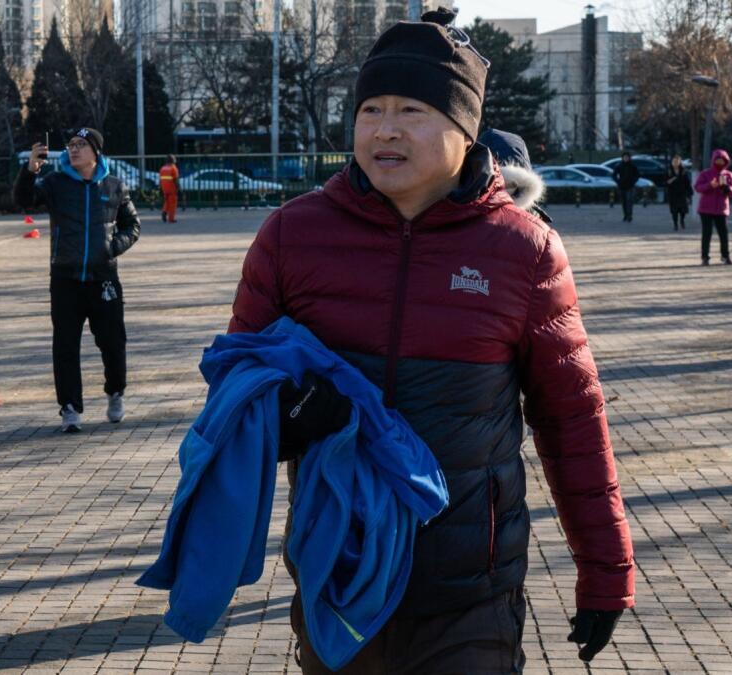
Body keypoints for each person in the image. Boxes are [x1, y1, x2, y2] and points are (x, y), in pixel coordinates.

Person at [229, 10, 635, 671]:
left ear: (464, 129)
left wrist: (605, 569)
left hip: (470, 590)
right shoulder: (291, 236)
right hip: (340, 574)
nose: (385, 129)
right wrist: (290, 412)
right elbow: (235, 386)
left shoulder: (524, 252)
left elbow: (572, 419)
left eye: (412, 110)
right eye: (371, 110)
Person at [13, 127, 141, 433]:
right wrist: (30, 169)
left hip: (103, 278)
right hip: (65, 279)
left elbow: (132, 225)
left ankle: (115, 392)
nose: (74, 150)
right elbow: (23, 200)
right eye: (71, 145)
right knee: (65, 346)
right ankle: (70, 407)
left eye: (81, 145)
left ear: (95, 152)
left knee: (112, 342)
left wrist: (111, 248)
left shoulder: (114, 186)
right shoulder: (57, 183)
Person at [694, 148, 732, 265]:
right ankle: (705, 257)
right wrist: (710, 185)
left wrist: (727, 188)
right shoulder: (705, 173)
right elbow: (697, 187)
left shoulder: (729, 175)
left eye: (722, 161)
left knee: (723, 233)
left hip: (721, 209)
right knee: (707, 233)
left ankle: (725, 256)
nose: (720, 163)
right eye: (718, 160)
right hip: (706, 209)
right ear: (713, 160)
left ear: (726, 161)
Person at [665, 154, 692, 231]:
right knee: (674, 211)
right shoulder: (669, 171)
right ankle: (675, 224)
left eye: (677, 161)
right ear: (672, 162)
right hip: (672, 194)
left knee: (683, 210)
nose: (675, 163)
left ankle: (682, 220)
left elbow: (687, 182)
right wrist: (672, 179)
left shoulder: (683, 171)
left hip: (682, 193)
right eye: (674, 161)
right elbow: (666, 182)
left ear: (680, 162)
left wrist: (689, 192)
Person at [612, 152, 641, 222]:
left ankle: (629, 216)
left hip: (630, 186)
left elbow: (637, 175)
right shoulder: (619, 166)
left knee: (629, 201)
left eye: (627, 157)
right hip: (622, 186)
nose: (626, 158)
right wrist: (618, 181)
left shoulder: (632, 166)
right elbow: (614, 175)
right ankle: (625, 215)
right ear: (622, 158)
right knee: (624, 202)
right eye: (624, 157)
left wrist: (634, 181)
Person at [159, 155, 181, 223]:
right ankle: (171, 219)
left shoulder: (162, 168)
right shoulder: (174, 168)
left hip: (164, 187)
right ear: (173, 161)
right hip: (172, 188)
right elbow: (176, 180)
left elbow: (160, 180)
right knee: (173, 203)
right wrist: (179, 188)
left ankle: (164, 211)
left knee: (167, 201)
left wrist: (160, 188)